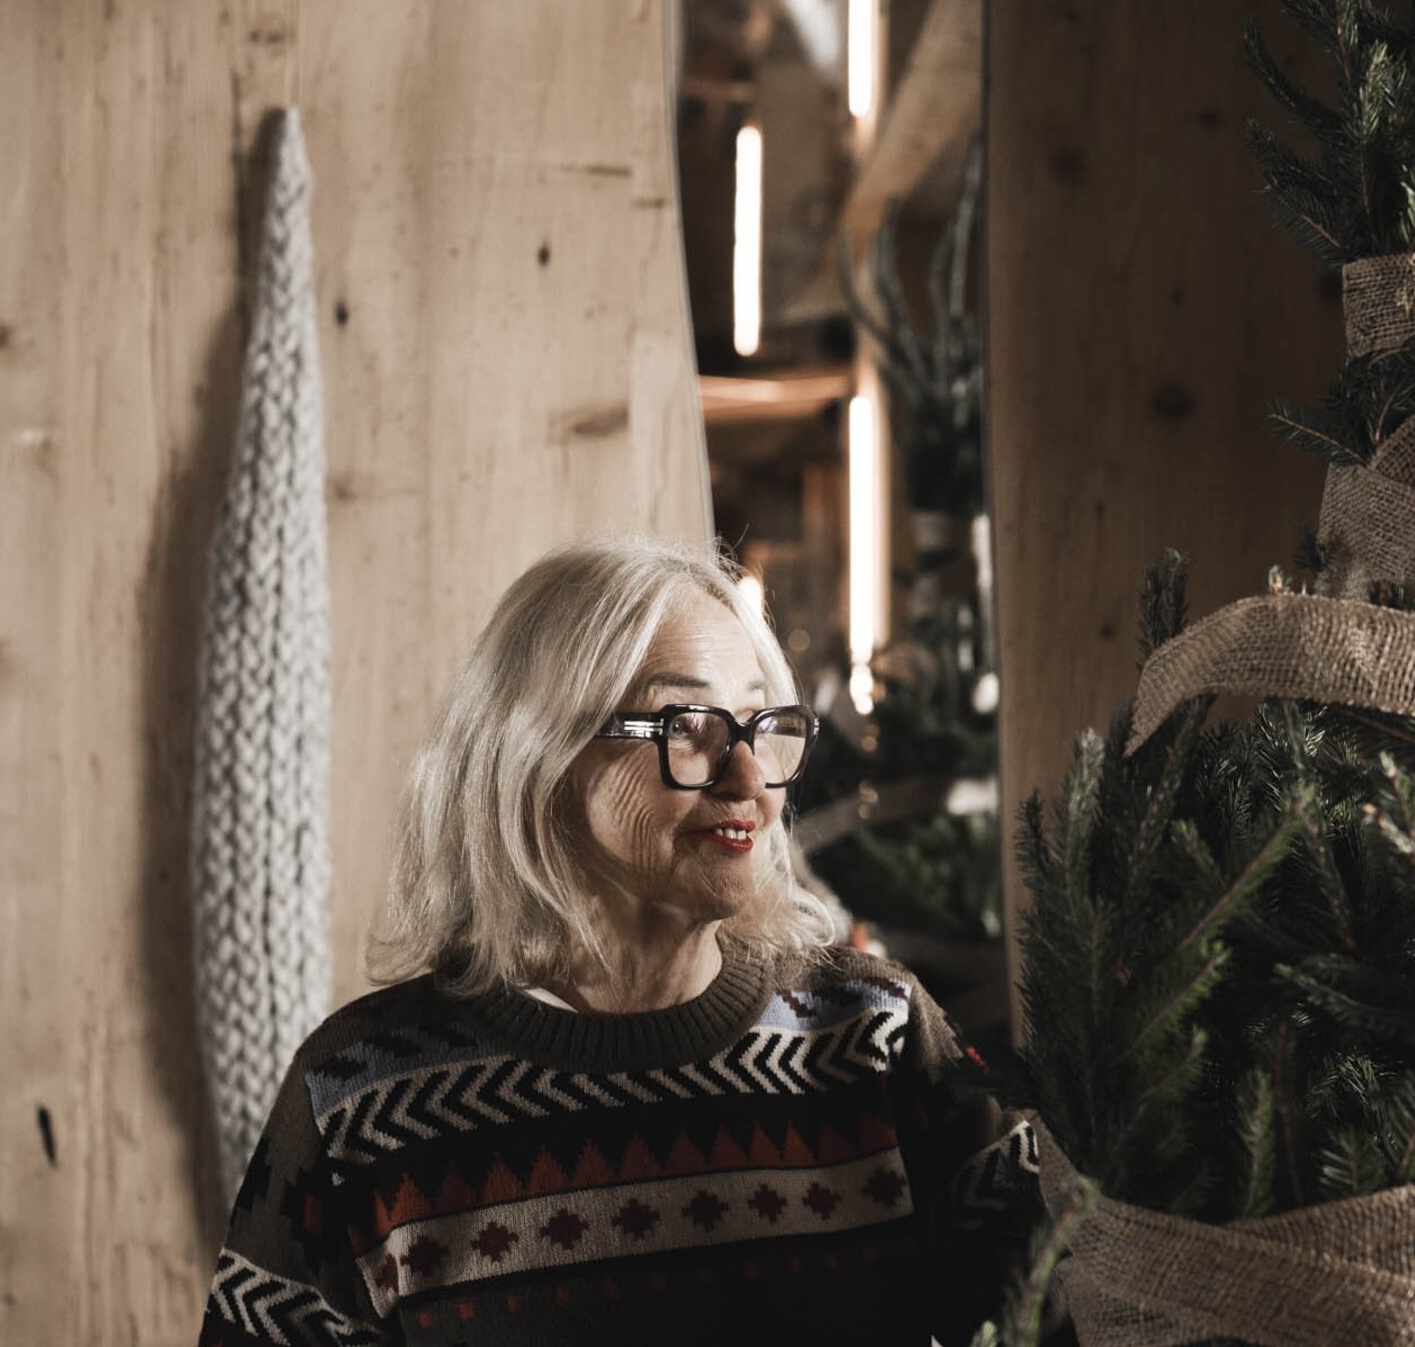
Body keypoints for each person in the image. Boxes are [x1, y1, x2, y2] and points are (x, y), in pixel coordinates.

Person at [194, 537, 1052, 1347]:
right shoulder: (361, 1103)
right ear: (539, 760)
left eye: (760, 726)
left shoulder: (871, 1037)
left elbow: (1075, 1304)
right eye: (687, 728)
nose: (749, 780)